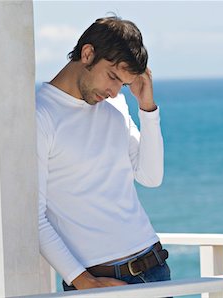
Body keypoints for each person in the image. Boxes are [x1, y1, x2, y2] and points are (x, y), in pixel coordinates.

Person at [36, 16, 170, 291]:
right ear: (88, 54)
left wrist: (147, 108)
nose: (112, 92)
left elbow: (150, 176)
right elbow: (34, 216)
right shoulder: (40, 116)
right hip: (98, 282)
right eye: (112, 77)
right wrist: (81, 280)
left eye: (121, 84)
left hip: (154, 269)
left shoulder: (117, 106)